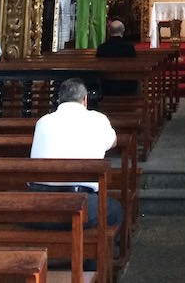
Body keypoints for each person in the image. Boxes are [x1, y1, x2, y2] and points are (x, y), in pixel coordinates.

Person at [29, 76, 123, 256]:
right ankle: (91, 266)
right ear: (85, 99)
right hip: (78, 205)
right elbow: (114, 142)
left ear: (59, 99)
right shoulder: (97, 119)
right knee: (115, 211)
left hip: (39, 207)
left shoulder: (42, 122)